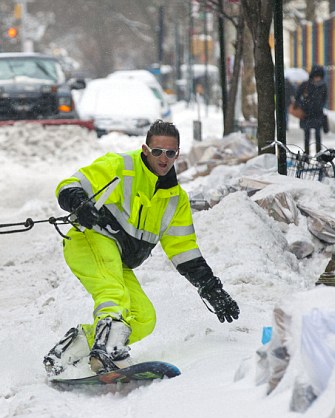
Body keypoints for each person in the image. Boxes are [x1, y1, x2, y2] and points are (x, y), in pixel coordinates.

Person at [43, 120, 240, 377]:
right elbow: (69, 185)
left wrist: (212, 288)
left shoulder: (175, 200)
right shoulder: (121, 167)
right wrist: (80, 203)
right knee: (114, 296)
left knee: (144, 318)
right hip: (90, 241)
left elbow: (184, 249)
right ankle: (108, 351)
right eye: (157, 151)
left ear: (177, 154)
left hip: (117, 259)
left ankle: (68, 352)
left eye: (170, 153)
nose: (163, 158)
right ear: (145, 149)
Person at [295, 65, 328, 155]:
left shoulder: (323, 85)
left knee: (317, 135)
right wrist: (303, 105)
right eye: (316, 76)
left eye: (319, 76)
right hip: (306, 114)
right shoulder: (306, 84)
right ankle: (306, 155)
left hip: (317, 113)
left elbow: (324, 98)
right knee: (307, 135)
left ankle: (318, 154)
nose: (317, 78)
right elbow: (297, 96)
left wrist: (319, 106)